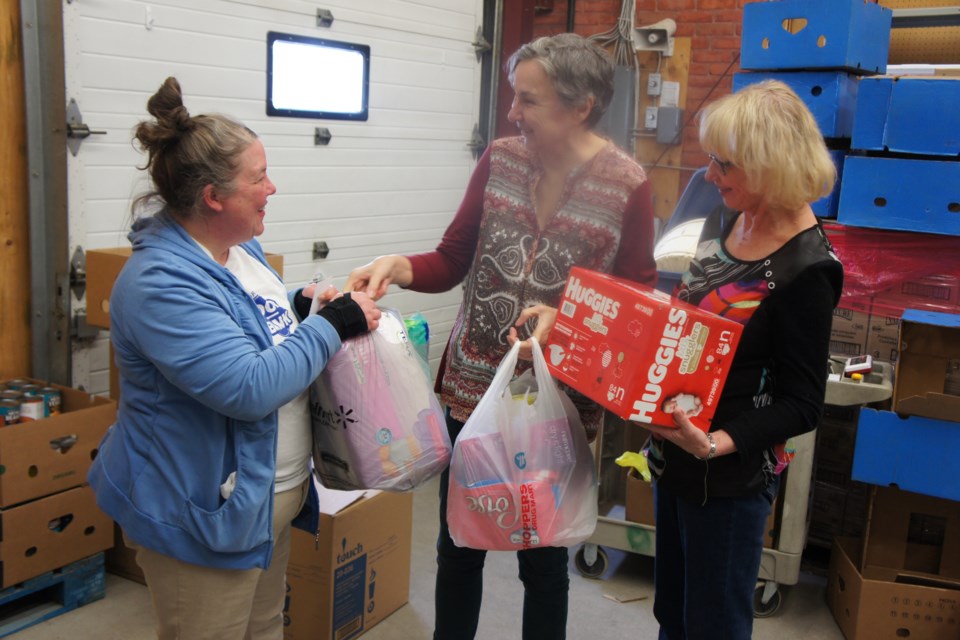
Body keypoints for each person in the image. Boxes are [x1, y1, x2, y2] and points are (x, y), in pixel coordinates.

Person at [346, 33, 657, 640]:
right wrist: (398, 266)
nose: (513, 113)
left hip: (556, 402)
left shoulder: (628, 184)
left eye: (528, 100)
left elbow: (637, 305)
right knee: (460, 542)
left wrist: (565, 321)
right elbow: (451, 258)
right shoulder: (501, 158)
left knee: (543, 557)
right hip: (471, 391)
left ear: (580, 106)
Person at [87, 77, 381, 640]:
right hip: (200, 515)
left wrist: (298, 306)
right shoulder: (159, 284)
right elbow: (246, 388)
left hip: (261, 504)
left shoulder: (235, 245)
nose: (273, 187)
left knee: (264, 628)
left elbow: (248, 321)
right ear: (213, 197)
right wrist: (332, 326)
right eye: (258, 177)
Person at [644, 79, 843, 639]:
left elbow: (803, 403)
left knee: (713, 625)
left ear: (770, 166)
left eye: (724, 165)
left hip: (728, 477)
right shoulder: (722, 218)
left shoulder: (809, 269)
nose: (710, 176)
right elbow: (687, 318)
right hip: (674, 455)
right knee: (672, 615)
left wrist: (716, 443)